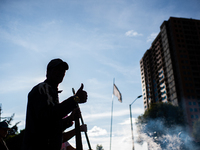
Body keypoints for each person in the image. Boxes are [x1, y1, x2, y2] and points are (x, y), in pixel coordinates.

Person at [22, 58, 88, 150]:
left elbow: (52, 127)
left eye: (63, 71)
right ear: (48, 72)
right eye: (57, 69)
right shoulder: (42, 89)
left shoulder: (51, 92)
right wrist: (75, 99)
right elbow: (47, 118)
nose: (60, 72)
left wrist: (70, 118)